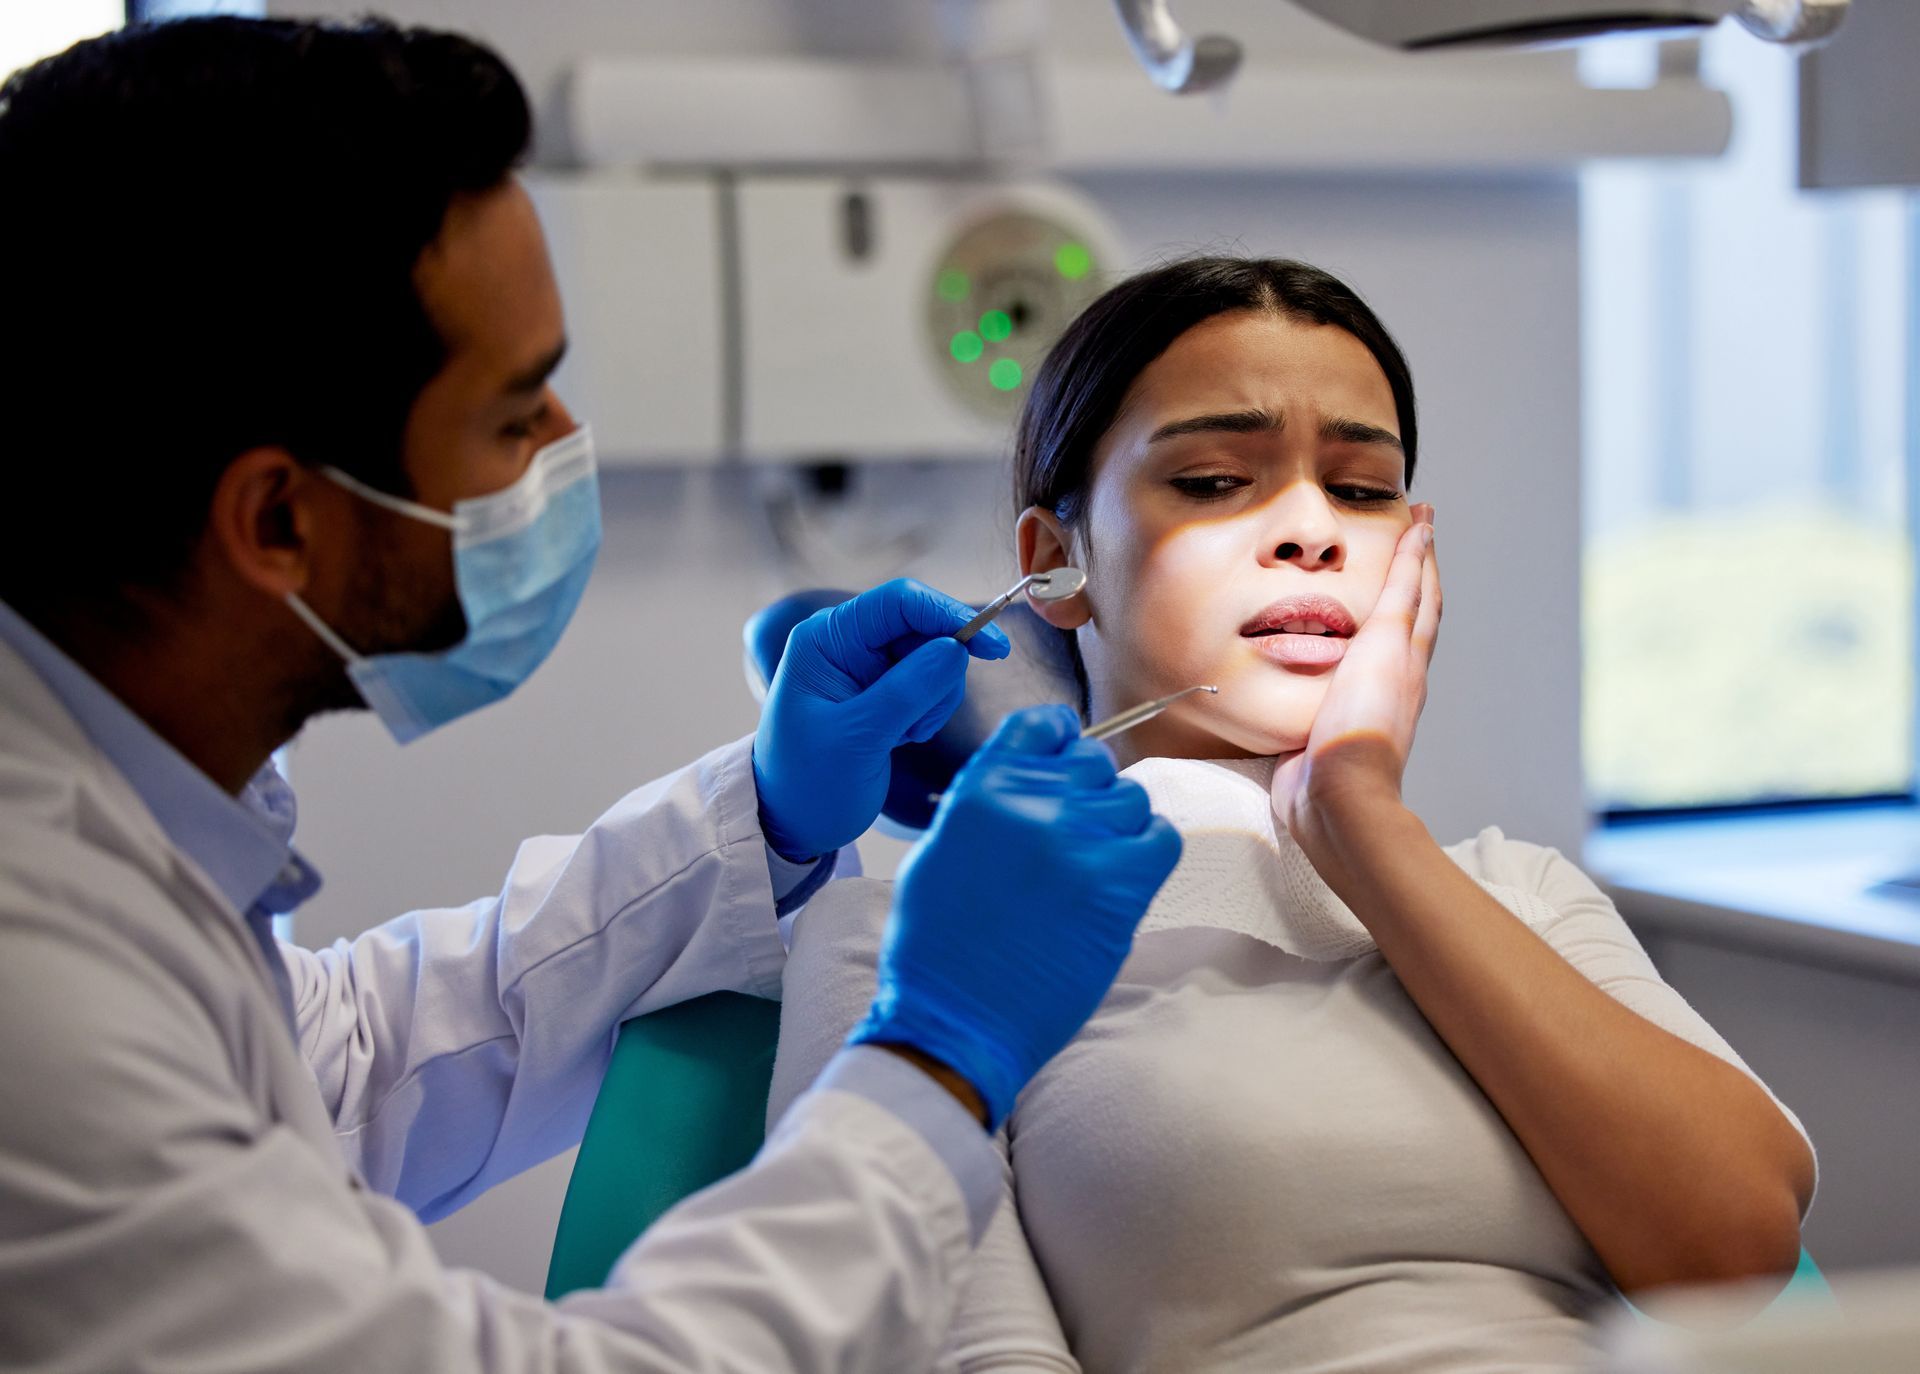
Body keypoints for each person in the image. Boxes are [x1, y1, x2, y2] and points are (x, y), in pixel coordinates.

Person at [0, 17, 1182, 1372]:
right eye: (516, 416)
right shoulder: (36, 989)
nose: (567, 449)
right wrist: (937, 1058)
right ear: (277, 521)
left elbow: (343, 1069)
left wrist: (770, 817)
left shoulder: (119, 803)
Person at [766, 257, 1819, 1371]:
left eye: (1362, 490)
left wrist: (1359, 818)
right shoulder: (912, 948)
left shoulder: (1522, 894)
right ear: (1057, 559)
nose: (1311, 527)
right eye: (1216, 479)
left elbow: (1738, 1256)